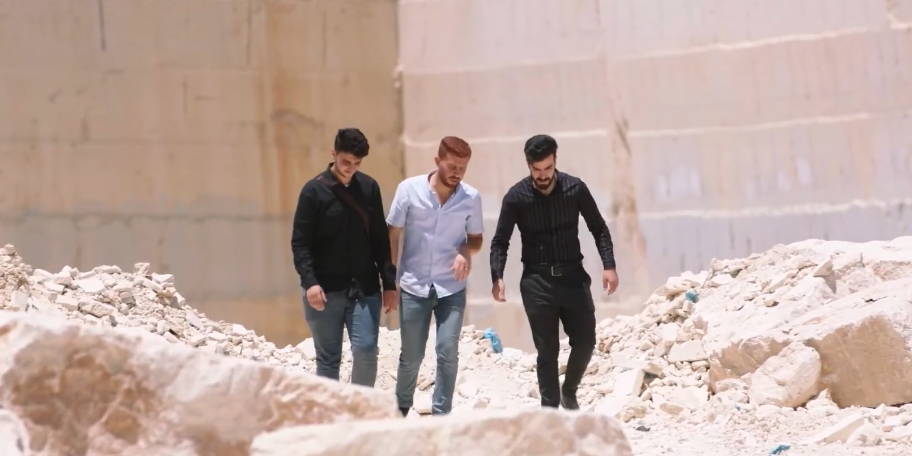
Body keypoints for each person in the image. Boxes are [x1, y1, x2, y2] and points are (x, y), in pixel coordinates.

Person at [489, 134, 619, 410]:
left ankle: (568, 391)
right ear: (529, 166)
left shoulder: (575, 188)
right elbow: (501, 240)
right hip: (537, 281)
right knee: (547, 350)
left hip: (573, 277)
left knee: (586, 342)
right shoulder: (516, 197)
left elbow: (599, 228)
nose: (543, 175)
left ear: (555, 161)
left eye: (547, 169)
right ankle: (549, 410)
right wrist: (497, 276)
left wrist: (609, 266)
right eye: (537, 170)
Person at [290, 127, 398, 387]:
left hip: (365, 287)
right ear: (333, 154)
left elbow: (380, 240)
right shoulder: (313, 192)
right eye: (345, 161)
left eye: (357, 163)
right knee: (328, 360)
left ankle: (361, 413)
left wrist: (390, 284)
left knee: (366, 350)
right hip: (325, 290)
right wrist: (310, 282)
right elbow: (300, 242)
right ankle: (332, 419)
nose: (350, 167)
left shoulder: (369, 188)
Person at [387, 136, 484, 416]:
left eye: (462, 168)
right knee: (412, 356)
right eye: (452, 166)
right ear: (437, 161)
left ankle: (442, 415)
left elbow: (475, 239)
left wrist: (464, 252)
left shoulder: (470, 198)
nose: (457, 173)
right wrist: (390, 279)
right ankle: (400, 410)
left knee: (447, 351)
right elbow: (392, 232)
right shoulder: (409, 190)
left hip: (451, 287)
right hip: (413, 285)